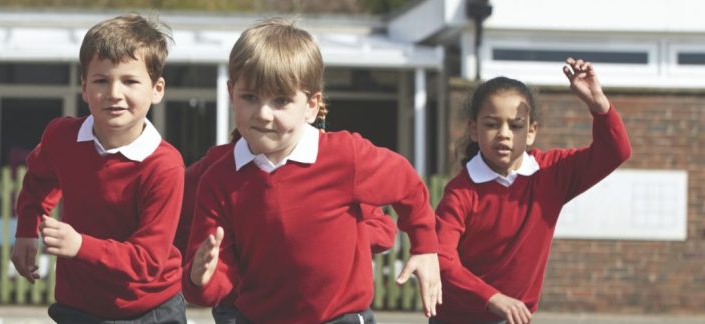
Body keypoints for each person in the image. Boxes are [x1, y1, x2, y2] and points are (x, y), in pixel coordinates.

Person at [183, 18, 443, 323]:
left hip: (339, 317)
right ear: (231, 94)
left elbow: (407, 184)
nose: (264, 113)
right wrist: (200, 277)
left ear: (311, 105)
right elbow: (214, 283)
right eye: (250, 97)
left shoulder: (345, 156)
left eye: (281, 100)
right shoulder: (218, 179)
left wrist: (425, 247)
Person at [9, 13, 187, 324]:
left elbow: (148, 261)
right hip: (78, 306)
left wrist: (80, 245)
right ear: (84, 87)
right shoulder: (60, 136)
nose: (114, 93)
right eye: (101, 80)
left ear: (157, 89)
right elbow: (38, 181)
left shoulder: (165, 166)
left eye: (130, 81)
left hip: (150, 309)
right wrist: (26, 230)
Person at [432, 59, 631, 324]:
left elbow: (615, 152)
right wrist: (492, 298)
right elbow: (442, 260)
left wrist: (597, 103)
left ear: (531, 132)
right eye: (492, 124)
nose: (504, 134)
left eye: (515, 126)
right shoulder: (460, 192)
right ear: (473, 130)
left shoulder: (552, 173)